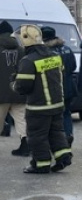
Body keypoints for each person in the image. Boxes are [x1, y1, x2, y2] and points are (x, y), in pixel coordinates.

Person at [11, 25, 72, 173]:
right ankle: (63, 157)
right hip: (57, 105)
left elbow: (23, 87)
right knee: (56, 133)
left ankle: (41, 164)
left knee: (37, 136)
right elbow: (60, 76)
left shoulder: (28, 60)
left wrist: (14, 83)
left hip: (38, 107)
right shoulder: (55, 56)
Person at [43, 26, 77, 146]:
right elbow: (73, 66)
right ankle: (68, 135)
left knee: (53, 117)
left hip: (54, 89)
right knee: (66, 113)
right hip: (68, 87)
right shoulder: (67, 48)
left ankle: (57, 141)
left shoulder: (46, 52)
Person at [0, 20, 29, 156]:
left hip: (1, 94)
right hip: (18, 91)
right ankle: (25, 145)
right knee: (22, 120)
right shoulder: (21, 49)